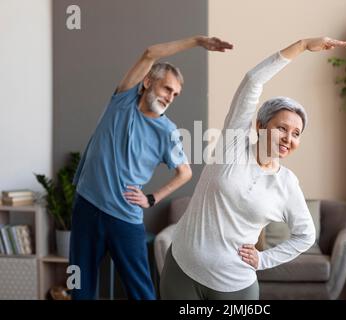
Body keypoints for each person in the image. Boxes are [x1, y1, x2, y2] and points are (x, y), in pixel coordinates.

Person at [160, 36, 346, 300]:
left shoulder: (286, 184)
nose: (288, 138)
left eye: (296, 133)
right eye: (282, 128)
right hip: (181, 270)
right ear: (260, 126)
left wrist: (263, 260)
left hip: (234, 286)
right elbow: (253, 80)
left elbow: (306, 235)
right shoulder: (233, 144)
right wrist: (303, 46)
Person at [69, 36, 233, 300]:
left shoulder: (168, 132)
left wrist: (151, 198)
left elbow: (185, 172)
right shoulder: (122, 100)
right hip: (87, 207)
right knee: (79, 286)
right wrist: (198, 41)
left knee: (141, 293)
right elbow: (149, 53)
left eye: (175, 94)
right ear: (147, 82)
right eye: (167, 89)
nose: (170, 97)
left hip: (124, 217)